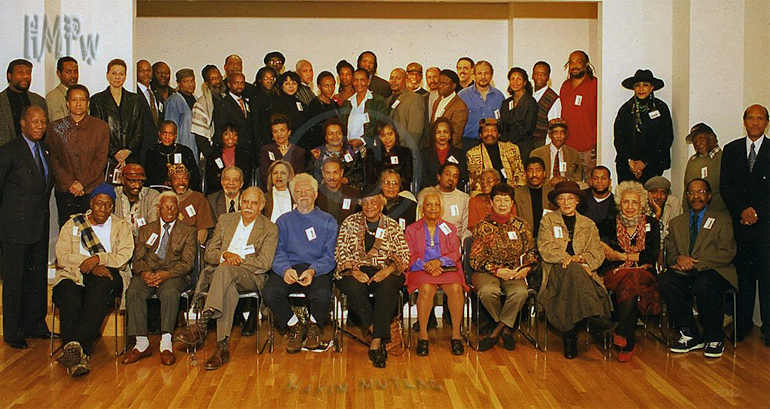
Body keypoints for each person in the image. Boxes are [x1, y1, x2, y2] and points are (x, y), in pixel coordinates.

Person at [177, 187, 278, 370]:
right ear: (240, 202)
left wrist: (236, 259)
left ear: (261, 206)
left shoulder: (270, 228)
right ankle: (221, 347)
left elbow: (265, 263)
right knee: (228, 289)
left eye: (254, 203)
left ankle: (202, 323)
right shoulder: (226, 220)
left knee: (225, 271)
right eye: (245, 201)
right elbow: (209, 253)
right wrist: (225, 255)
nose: (248, 206)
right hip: (223, 278)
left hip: (251, 276)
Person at [52, 183, 134, 376]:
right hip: (73, 273)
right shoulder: (73, 223)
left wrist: (100, 259)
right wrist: (88, 264)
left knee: (100, 288)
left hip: (107, 275)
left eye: (108, 205)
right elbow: (62, 256)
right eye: (99, 204)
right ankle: (80, 354)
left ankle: (74, 348)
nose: (103, 209)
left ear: (112, 206)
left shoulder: (121, 226)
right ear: (91, 203)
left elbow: (123, 255)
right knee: (68, 292)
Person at [660, 178, 737, 358]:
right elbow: (670, 254)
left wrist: (696, 263)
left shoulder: (722, 219)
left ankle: (714, 337)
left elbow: (727, 252)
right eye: (692, 193)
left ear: (709, 196)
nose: (696, 196)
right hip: (684, 270)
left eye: (701, 192)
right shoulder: (677, 222)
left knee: (704, 284)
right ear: (687, 196)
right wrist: (678, 258)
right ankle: (690, 333)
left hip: (716, 270)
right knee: (666, 281)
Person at [335, 185, 410, 367]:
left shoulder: (392, 225)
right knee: (352, 287)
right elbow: (340, 252)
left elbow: (404, 255)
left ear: (381, 204)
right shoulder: (349, 223)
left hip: (386, 269)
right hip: (355, 269)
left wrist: (387, 270)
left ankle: (375, 341)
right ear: (361, 204)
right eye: (366, 203)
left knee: (388, 287)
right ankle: (378, 331)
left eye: (374, 202)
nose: (369, 206)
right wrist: (353, 270)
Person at [263, 173, 337, 353]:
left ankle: (313, 327)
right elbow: (277, 251)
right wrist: (285, 269)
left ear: (316, 194)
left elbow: (331, 255)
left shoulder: (328, 221)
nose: (303, 194)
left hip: (316, 268)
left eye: (307, 190)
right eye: (298, 191)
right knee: (270, 292)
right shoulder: (283, 221)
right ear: (293, 195)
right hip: (289, 267)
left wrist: (313, 270)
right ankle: (294, 325)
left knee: (322, 293)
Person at [537, 181, 612, 359]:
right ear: (556, 202)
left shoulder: (588, 224)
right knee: (572, 269)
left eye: (570, 198)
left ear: (578, 200)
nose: (566, 202)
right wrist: (567, 258)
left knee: (574, 273)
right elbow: (545, 247)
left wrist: (584, 261)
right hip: (555, 269)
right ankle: (593, 317)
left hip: (583, 271)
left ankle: (569, 336)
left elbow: (597, 252)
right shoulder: (548, 220)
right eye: (561, 199)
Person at [122, 192, 196, 366]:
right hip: (148, 273)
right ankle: (141, 344)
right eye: (165, 206)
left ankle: (166, 343)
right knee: (134, 291)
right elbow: (137, 260)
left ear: (178, 209)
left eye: (173, 207)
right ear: (158, 208)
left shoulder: (187, 231)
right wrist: (145, 273)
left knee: (170, 292)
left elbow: (187, 263)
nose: (169, 210)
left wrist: (166, 274)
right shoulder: (146, 230)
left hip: (174, 275)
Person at [0, 105, 52, 349]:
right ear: (22, 124)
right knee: (14, 280)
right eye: (35, 122)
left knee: (37, 277)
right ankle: (13, 331)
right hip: (14, 228)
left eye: (43, 122)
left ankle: (36, 324)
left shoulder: (45, 150)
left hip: (39, 225)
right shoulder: (9, 151)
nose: (40, 126)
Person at [721, 104, 770, 344]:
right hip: (740, 225)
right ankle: (742, 326)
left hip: (766, 227)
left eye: (760, 118)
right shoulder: (731, 150)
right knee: (743, 277)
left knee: (767, 278)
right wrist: (743, 210)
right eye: (751, 118)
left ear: (766, 123)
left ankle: (768, 330)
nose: (755, 123)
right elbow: (726, 186)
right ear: (744, 121)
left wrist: (757, 212)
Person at [469, 183, 539, 351]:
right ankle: (506, 329)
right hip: (487, 271)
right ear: (491, 203)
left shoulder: (522, 226)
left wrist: (526, 269)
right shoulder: (481, 227)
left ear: (512, 203)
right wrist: (496, 270)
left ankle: (497, 332)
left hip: (514, 272)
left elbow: (532, 252)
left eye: (506, 200)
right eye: (498, 200)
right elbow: (474, 259)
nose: (502, 204)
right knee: (487, 292)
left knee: (520, 292)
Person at [597, 181, 660, 362]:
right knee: (631, 280)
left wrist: (619, 255)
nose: (630, 206)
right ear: (619, 203)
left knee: (631, 280)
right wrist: (631, 257)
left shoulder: (652, 224)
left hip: (644, 273)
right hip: (614, 273)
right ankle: (627, 338)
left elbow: (651, 255)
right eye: (626, 202)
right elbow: (605, 253)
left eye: (634, 202)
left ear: (641, 204)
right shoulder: (607, 224)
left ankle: (622, 331)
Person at [405, 187, 468, 356]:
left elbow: (456, 252)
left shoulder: (450, 228)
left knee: (455, 288)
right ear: (422, 208)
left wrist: (439, 262)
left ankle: (456, 335)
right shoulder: (412, 230)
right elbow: (408, 254)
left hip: (446, 267)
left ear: (441, 208)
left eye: (436, 205)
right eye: (429, 205)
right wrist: (427, 265)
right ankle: (423, 336)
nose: (433, 208)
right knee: (426, 289)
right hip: (421, 268)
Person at [46, 84, 109, 225]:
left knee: (92, 233)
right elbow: (54, 159)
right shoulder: (56, 127)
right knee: (67, 232)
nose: (78, 103)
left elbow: (100, 160)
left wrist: (82, 183)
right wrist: (70, 183)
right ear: (67, 103)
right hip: (65, 191)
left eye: (82, 100)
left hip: (92, 189)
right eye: (74, 100)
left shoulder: (100, 127)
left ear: (88, 103)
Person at [614, 69, 674, 183]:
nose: (641, 89)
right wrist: (630, 161)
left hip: (653, 164)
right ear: (633, 88)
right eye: (637, 85)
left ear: (652, 87)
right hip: (627, 166)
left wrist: (644, 162)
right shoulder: (625, 109)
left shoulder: (661, 108)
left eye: (645, 85)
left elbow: (666, 138)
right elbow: (619, 138)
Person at [90, 59, 143, 179]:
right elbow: (98, 132)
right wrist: (115, 152)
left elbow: (139, 130)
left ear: (125, 76)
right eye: (114, 73)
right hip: (107, 158)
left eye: (121, 74)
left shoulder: (135, 100)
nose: (117, 77)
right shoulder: (97, 100)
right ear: (107, 75)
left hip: (131, 157)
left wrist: (127, 151)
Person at [560, 51, 598, 180]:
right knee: (570, 187)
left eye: (578, 61)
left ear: (586, 64)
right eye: (571, 62)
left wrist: (597, 144)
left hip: (589, 148)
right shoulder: (565, 86)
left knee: (590, 186)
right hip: (569, 148)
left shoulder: (595, 85)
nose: (574, 65)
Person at [310, 118, 372, 191]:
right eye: (330, 134)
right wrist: (323, 181)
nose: (335, 136)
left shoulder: (352, 151)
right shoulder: (317, 153)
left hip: (349, 191)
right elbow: (311, 174)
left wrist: (346, 180)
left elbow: (361, 174)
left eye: (338, 133)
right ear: (325, 137)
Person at [466, 118, 526, 192]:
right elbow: (475, 181)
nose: (489, 134)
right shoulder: (473, 153)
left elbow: (519, 173)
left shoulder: (512, 148)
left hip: (511, 190)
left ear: (499, 134)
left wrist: (513, 191)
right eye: (486, 131)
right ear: (480, 135)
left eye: (493, 131)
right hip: (486, 192)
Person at [458, 61, 505, 151]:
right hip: (468, 143)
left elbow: (501, 122)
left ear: (491, 75)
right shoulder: (463, 96)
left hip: (492, 144)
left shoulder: (499, 96)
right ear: (474, 75)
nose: (483, 77)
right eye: (479, 73)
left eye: (486, 73)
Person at [387, 68, 425, 177]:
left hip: (405, 153)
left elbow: (415, 132)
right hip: (390, 152)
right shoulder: (389, 99)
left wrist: (405, 153)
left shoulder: (415, 98)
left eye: (398, 78)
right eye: (391, 78)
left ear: (406, 80)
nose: (393, 81)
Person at [0, 59, 47, 147]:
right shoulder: (2, 102)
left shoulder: (38, 101)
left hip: (34, 154)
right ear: (9, 76)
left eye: (28, 73)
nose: (25, 76)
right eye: (20, 73)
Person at [339, 68, 389, 149]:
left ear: (368, 82)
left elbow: (381, 124)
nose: (358, 83)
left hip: (370, 148)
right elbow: (342, 126)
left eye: (362, 80)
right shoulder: (347, 103)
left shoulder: (377, 101)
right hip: (349, 148)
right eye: (355, 80)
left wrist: (363, 140)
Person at [144, 120, 201, 190]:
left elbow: (195, 177)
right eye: (164, 133)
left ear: (175, 136)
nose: (167, 137)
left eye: (170, 134)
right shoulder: (152, 152)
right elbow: (148, 178)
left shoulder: (185, 152)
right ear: (159, 134)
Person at [213, 72, 258, 156]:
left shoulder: (246, 101)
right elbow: (221, 129)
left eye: (242, 83)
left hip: (248, 150)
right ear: (229, 84)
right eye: (236, 83)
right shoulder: (223, 104)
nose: (239, 86)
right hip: (232, 150)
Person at [530, 118, 583, 188]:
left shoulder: (573, 154)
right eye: (555, 133)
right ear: (550, 135)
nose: (559, 136)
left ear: (566, 135)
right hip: (544, 188)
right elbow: (533, 177)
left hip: (566, 188)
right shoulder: (537, 153)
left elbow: (578, 177)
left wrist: (566, 180)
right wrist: (549, 182)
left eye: (562, 133)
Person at [169, 164, 214, 245]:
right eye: (177, 179)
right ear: (170, 181)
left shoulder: (199, 198)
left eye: (185, 179)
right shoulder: (163, 198)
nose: (181, 182)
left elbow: (203, 232)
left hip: (191, 246)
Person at [683, 123, 725, 211]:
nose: (697, 143)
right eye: (694, 140)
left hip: (718, 214)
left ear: (712, 137)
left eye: (701, 138)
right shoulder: (692, 161)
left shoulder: (724, 158)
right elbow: (686, 192)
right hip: (694, 215)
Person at [423, 162, 470, 240]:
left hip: (454, 242)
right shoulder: (427, 195)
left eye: (455, 176)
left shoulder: (464, 198)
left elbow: (466, 229)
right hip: (430, 240)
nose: (451, 179)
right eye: (447, 174)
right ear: (439, 177)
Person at [499, 67, 538, 160]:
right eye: (512, 79)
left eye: (518, 79)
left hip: (523, 146)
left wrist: (511, 142)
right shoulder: (506, 102)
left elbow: (528, 128)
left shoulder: (530, 102)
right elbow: (502, 124)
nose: (515, 82)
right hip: (506, 147)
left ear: (524, 82)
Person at [259, 114, 306, 187]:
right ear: (272, 134)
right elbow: (265, 175)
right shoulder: (266, 150)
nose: (279, 134)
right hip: (272, 189)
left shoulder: (299, 152)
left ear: (289, 132)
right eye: (275, 131)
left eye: (282, 130)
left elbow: (299, 177)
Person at [204, 123, 253, 194]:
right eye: (226, 134)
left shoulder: (245, 155)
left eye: (234, 135)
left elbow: (246, 178)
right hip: (218, 192)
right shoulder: (214, 155)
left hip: (239, 192)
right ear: (221, 136)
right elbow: (211, 179)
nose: (231, 137)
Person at [421, 117, 467, 191]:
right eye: (438, 132)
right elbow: (423, 178)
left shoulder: (459, 154)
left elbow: (463, 177)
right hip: (431, 192)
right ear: (433, 135)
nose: (442, 135)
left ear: (450, 135)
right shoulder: (424, 154)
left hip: (453, 191)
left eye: (445, 132)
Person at [114, 163, 160, 236]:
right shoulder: (114, 195)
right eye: (132, 181)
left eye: (140, 181)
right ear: (122, 180)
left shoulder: (152, 196)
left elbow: (153, 227)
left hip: (142, 242)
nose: (137, 185)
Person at [514, 157, 555, 238]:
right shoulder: (517, 194)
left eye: (538, 170)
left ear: (544, 173)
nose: (534, 175)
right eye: (530, 171)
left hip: (549, 238)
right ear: (525, 173)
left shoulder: (552, 193)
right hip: (526, 238)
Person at [299, 71, 340, 151]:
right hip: (319, 148)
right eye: (326, 86)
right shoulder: (314, 105)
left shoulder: (335, 105)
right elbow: (310, 132)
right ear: (319, 86)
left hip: (334, 146)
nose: (330, 89)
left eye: (332, 85)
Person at [163, 68, 198, 159]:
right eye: (186, 81)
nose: (190, 84)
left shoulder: (195, 99)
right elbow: (170, 129)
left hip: (195, 147)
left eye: (192, 81)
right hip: (180, 149)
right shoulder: (174, 101)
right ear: (179, 84)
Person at [192, 65, 225, 160]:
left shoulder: (226, 99)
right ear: (207, 82)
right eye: (213, 79)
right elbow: (200, 137)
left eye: (219, 77)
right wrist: (211, 155)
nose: (218, 81)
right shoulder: (201, 104)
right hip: (213, 152)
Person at [644, 176, 682, 257]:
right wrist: (656, 215)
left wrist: (661, 250)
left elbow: (673, 234)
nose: (658, 196)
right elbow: (648, 237)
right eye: (654, 192)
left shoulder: (673, 203)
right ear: (648, 194)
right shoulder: (641, 205)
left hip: (669, 250)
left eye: (663, 192)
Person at [430, 70, 468, 149]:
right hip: (434, 149)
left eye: (444, 83)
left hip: (450, 150)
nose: (440, 86)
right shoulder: (437, 101)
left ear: (453, 86)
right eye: (439, 83)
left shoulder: (460, 106)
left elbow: (456, 136)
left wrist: (442, 149)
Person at [269, 71, 309, 148]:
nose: (291, 86)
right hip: (285, 144)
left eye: (294, 83)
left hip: (302, 143)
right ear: (281, 86)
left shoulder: (301, 103)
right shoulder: (276, 103)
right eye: (287, 84)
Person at [316, 157, 360, 225]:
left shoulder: (354, 194)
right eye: (328, 173)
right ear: (323, 173)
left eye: (335, 172)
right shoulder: (315, 195)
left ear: (341, 173)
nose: (332, 177)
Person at [136, 60, 163, 164]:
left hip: (156, 148)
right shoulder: (134, 93)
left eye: (148, 70)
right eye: (142, 71)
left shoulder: (156, 94)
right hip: (141, 148)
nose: (146, 73)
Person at [371, 122, 413, 190]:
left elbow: (408, 177)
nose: (387, 138)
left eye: (390, 134)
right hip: (379, 191)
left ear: (395, 134)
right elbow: (371, 179)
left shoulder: (406, 152)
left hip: (400, 190)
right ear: (378, 137)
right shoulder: (372, 154)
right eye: (383, 135)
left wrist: (394, 185)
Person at [531, 61, 562, 148]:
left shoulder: (554, 99)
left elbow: (553, 128)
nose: (539, 76)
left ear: (548, 77)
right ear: (532, 75)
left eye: (543, 74)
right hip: (527, 144)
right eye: (536, 73)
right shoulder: (527, 93)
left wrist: (547, 149)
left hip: (541, 144)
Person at [251, 66, 278, 148]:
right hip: (263, 141)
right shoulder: (256, 98)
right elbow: (255, 124)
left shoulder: (276, 96)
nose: (270, 81)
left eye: (272, 78)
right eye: (266, 78)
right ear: (260, 80)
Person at [46, 56, 78, 122]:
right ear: (59, 73)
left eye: (75, 71)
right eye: (68, 72)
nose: (73, 76)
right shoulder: (53, 97)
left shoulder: (82, 93)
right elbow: (59, 125)